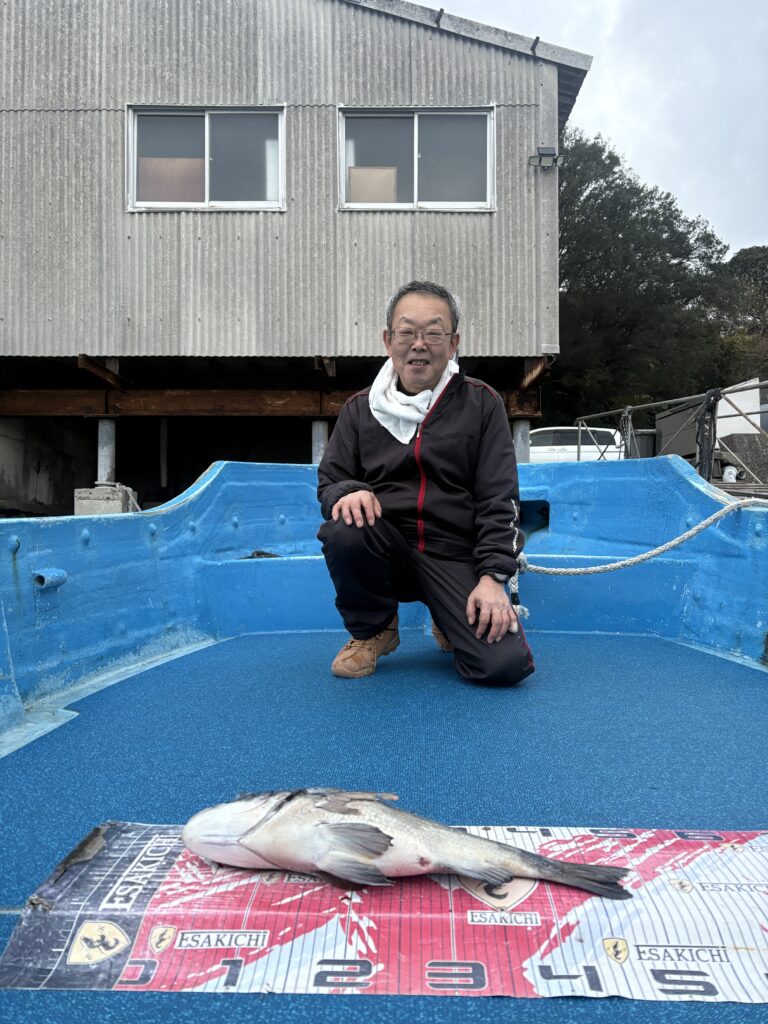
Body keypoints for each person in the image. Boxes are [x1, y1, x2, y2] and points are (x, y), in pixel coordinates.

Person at [316, 281, 534, 686]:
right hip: (386, 549)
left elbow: (499, 498)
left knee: (504, 665)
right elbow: (331, 481)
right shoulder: (360, 409)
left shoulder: (481, 403)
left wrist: (492, 579)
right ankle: (374, 630)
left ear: (453, 344)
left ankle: (446, 615)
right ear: (388, 340)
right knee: (344, 528)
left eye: (434, 333)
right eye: (407, 332)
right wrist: (348, 491)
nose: (419, 344)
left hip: (455, 556)